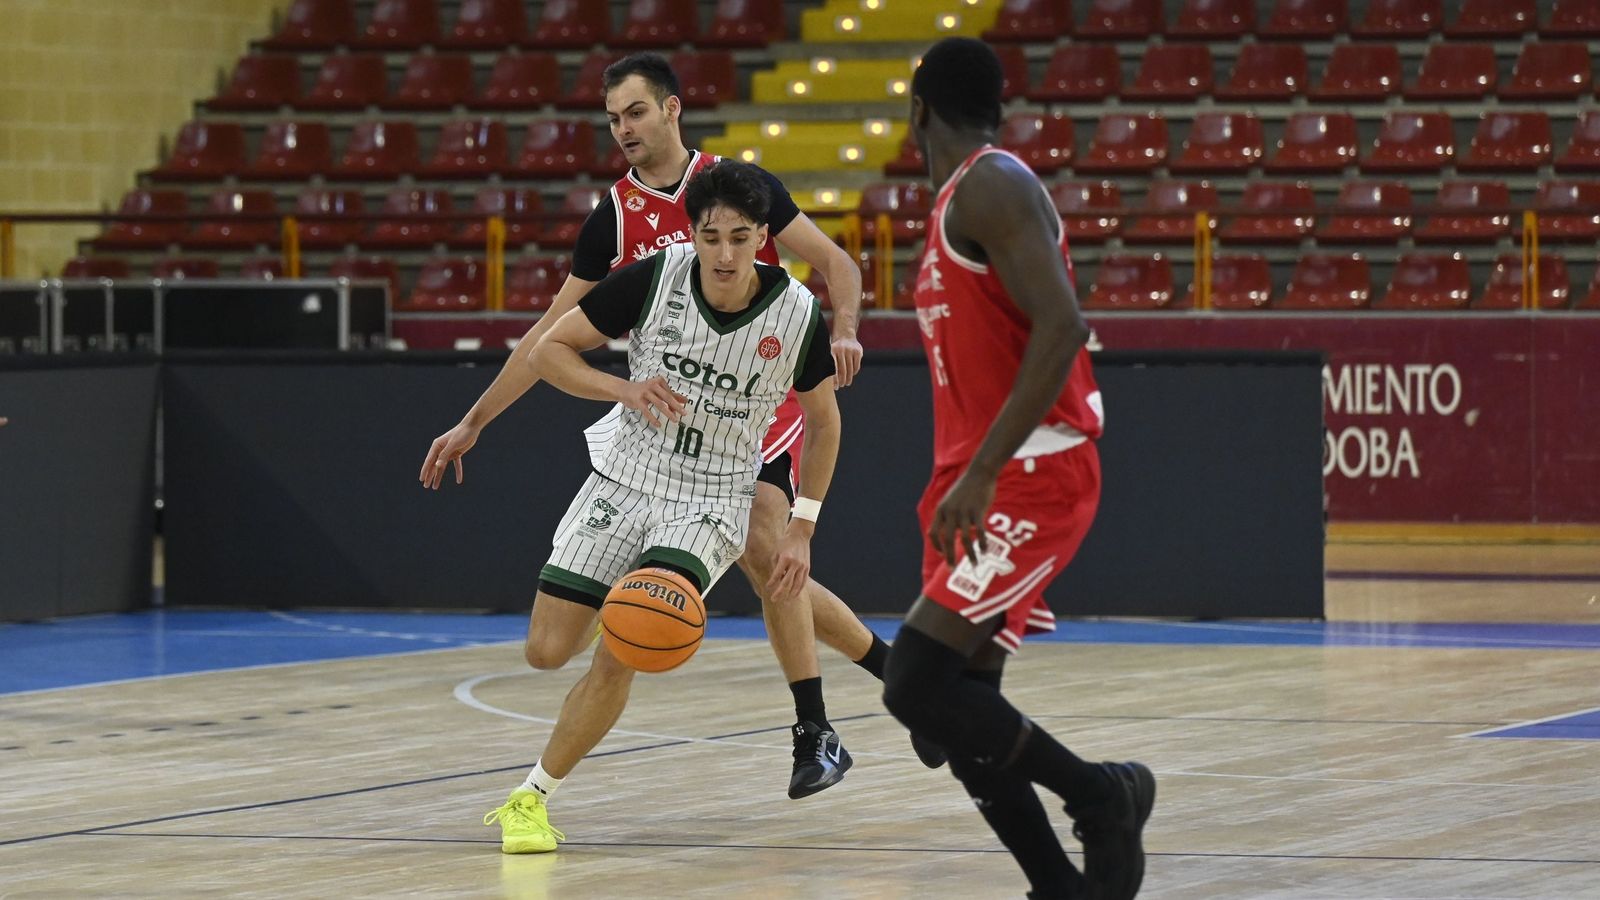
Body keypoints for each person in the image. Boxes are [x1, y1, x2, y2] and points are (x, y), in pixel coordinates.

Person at [421, 53, 887, 801]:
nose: (623, 129)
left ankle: (813, 727)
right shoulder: (615, 217)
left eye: (634, 112)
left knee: (773, 546)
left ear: (671, 109)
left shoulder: (738, 189)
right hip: (656, 424)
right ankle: (898, 683)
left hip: (748, 417)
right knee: (752, 570)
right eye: (612, 119)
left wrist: (847, 330)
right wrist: (475, 419)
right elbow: (551, 333)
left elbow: (836, 263)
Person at [475, 161, 840, 853]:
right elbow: (550, 351)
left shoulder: (796, 313)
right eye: (711, 237)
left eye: (740, 237)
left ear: (765, 236)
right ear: (693, 234)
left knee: (627, 641)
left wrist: (801, 527)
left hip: (711, 499)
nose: (725, 254)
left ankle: (531, 798)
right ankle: (597, 607)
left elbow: (826, 425)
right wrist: (624, 389)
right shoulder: (656, 276)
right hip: (625, 476)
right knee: (546, 652)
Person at [878, 39, 1155, 900]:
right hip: (977, 483)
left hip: (1030, 474)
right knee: (958, 714)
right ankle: (1058, 888)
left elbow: (1063, 327)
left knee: (916, 682)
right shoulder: (960, 201)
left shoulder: (994, 184)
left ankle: (1100, 795)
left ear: (919, 110)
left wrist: (983, 471)